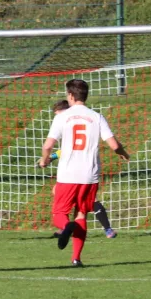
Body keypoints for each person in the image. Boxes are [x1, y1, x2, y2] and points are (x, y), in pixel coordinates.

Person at [39, 80, 129, 267]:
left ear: (70, 95)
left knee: (59, 213)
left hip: (68, 174)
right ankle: (76, 258)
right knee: (81, 214)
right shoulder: (96, 117)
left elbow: (48, 145)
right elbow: (113, 145)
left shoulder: (62, 117)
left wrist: (44, 159)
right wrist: (124, 154)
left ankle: (66, 228)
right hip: (90, 175)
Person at [48, 99, 117, 240]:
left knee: (86, 204)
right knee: (61, 194)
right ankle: (66, 228)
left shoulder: (71, 120)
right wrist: (53, 156)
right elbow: (66, 149)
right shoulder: (74, 121)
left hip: (78, 169)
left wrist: (50, 157)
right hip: (83, 171)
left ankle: (106, 228)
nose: (57, 117)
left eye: (58, 114)